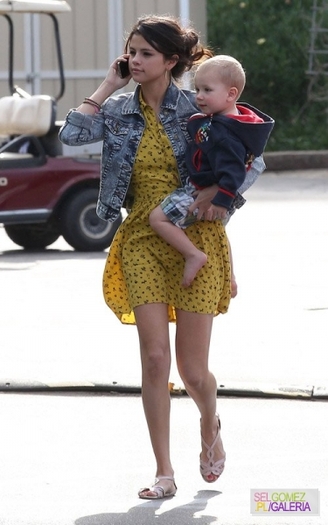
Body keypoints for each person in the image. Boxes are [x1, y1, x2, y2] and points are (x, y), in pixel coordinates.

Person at [59, 15, 235, 500]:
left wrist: (220, 216)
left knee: (193, 371)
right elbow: (70, 138)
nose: (135, 61)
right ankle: (164, 470)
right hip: (139, 236)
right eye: (131, 52)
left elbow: (242, 166)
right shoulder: (117, 109)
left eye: (145, 54)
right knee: (155, 359)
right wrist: (105, 86)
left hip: (194, 238)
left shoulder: (199, 107)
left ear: (171, 61)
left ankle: (209, 421)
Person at [149, 55, 275, 288]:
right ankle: (230, 277)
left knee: (157, 218)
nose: (199, 96)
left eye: (207, 90)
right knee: (217, 232)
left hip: (206, 193)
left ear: (231, 94)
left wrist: (221, 200)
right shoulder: (222, 122)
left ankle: (193, 255)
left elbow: (235, 169)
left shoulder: (226, 134)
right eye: (197, 88)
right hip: (216, 194)